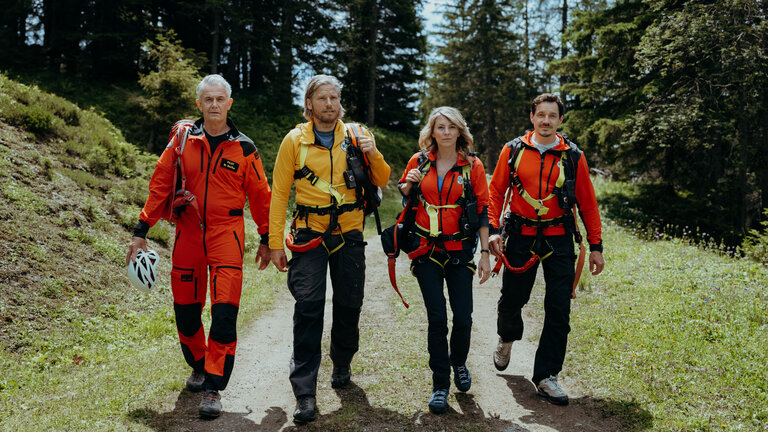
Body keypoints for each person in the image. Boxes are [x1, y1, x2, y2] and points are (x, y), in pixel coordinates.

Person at [125, 74, 272, 418]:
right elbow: (161, 183)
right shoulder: (182, 141)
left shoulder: (245, 148)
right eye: (208, 99)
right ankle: (199, 364)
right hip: (188, 235)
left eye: (220, 99)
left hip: (227, 237)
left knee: (224, 314)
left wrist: (268, 239)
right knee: (186, 312)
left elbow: (261, 196)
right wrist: (141, 229)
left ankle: (213, 388)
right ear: (199, 104)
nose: (214, 105)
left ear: (229, 103)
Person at [268, 74, 391, 423]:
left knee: (350, 304)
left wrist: (373, 152)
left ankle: (342, 360)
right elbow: (279, 193)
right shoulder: (294, 141)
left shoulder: (357, 135)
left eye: (334, 98)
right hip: (309, 233)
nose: (329, 104)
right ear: (309, 103)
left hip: (349, 232)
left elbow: (383, 178)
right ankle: (305, 392)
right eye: (322, 98)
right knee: (308, 308)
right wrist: (275, 243)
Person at [487, 93, 605, 405]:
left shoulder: (573, 156)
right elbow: (496, 192)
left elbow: (588, 203)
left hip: (559, 238)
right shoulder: (513, 150)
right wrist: (494, 230)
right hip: (520, 235)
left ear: (560, 120)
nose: (546, 121)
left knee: (558, 309)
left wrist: (596, 246)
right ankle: (506, 338)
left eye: (552, 116)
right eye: (541, 115)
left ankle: (546, 376)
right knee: (512, 299)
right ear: (532, 117)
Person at [397, 107, 491, 414]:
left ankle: (459, 362)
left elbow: (483, 210)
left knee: (463, 317)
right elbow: (405, 194)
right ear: (432, 131)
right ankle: (440, 384)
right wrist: (408, 183)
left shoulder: (473, 166)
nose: (446, 132)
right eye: (441, 127)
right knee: (437, 318)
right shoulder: (419, 161)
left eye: (452, 127)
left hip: (460, 250)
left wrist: (485, 253)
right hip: (426, 250)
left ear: (460, 131)